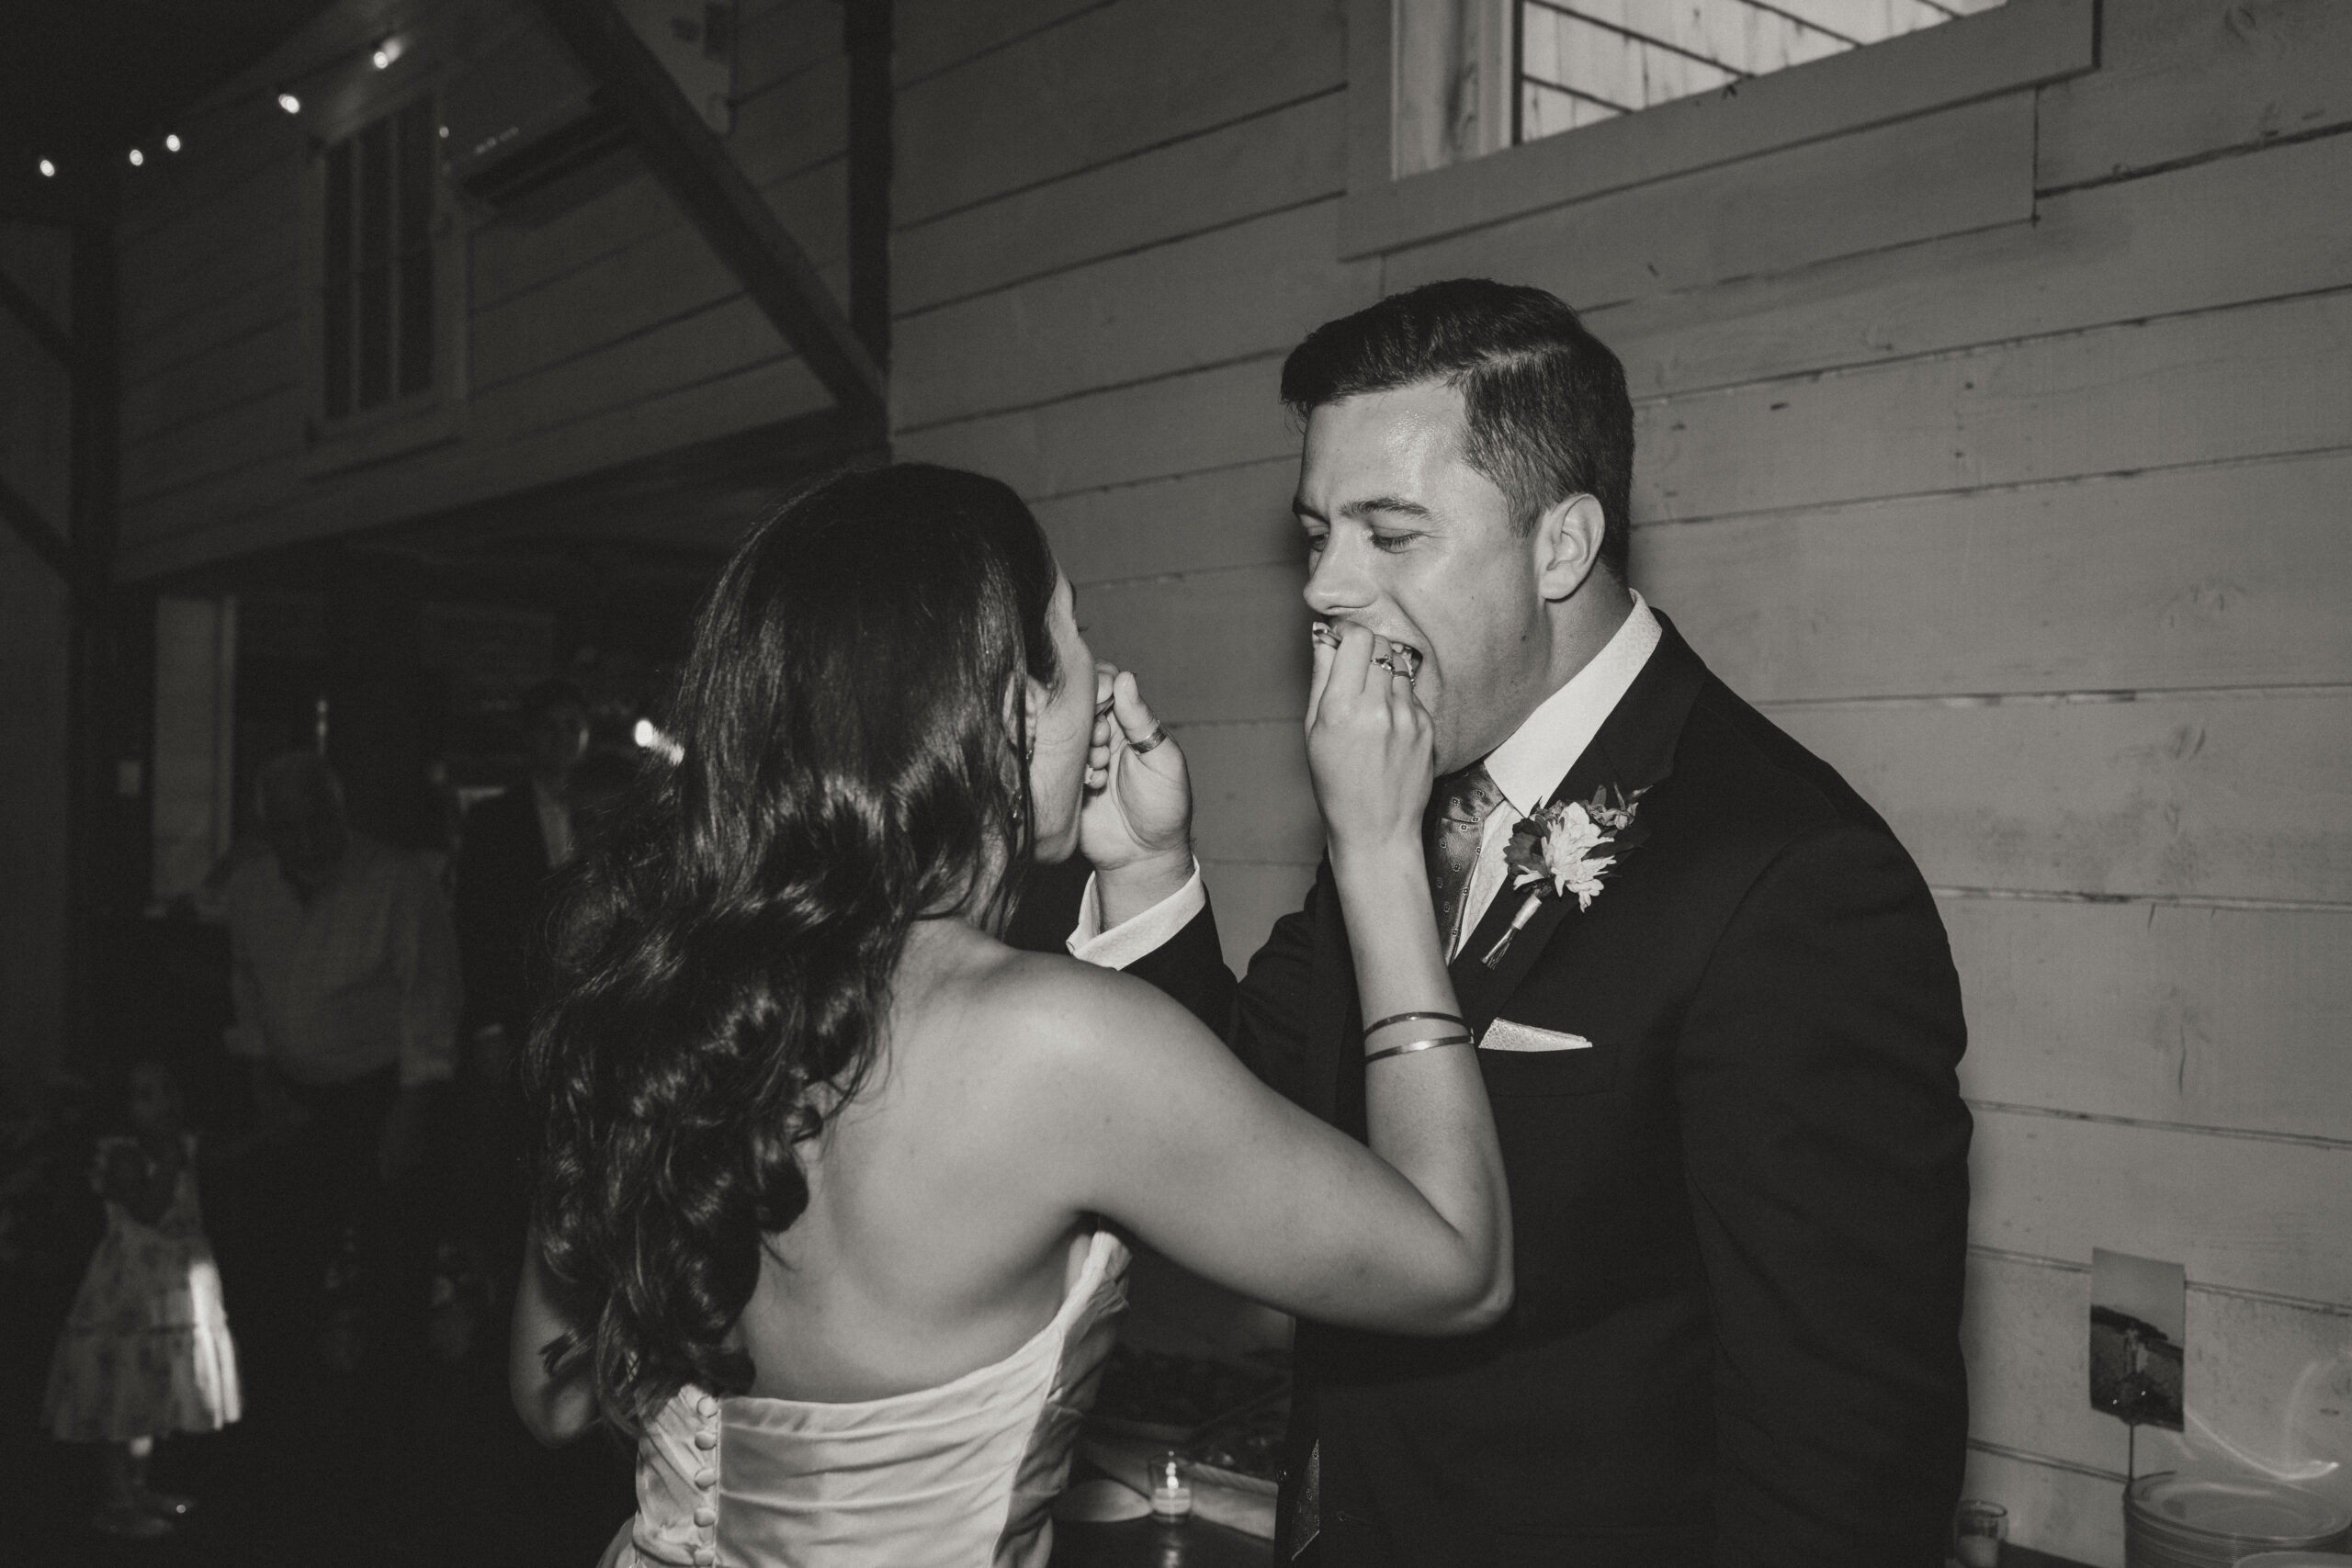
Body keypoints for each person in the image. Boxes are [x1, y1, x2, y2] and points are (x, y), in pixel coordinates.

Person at [1076, 279, 1973, 1565]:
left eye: (1391, 533)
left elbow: (1845, 1465)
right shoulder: (1407, 808)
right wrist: (1153, 871)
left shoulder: (1792, 879)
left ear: (1561, 544)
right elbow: (1235, 1126)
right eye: (1317, 531)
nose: (1327, 587)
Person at [509, 463, 1514, 1568]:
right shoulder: (1047, 1041)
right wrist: (1376, 849)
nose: (1106, 676)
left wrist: (1142, 875)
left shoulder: (654, 996)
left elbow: (550, 1396)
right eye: (1073, 639)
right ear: (1009, 708)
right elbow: (1458, 1270)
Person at [223, 751, 459, 1377]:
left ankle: (387, 1426)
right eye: (288, 828)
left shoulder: (397, 881)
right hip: (298, 1096)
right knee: (288, 1271)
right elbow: (246, 987)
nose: (306, 841)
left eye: (319, 821)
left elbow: (429, 1000)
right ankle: (296, 1421)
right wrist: (262, 1083)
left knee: (393, 1272)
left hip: (383, 1093)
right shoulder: (251, 888)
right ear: (267, 830)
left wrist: (410, 1110)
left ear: (341, 813)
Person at [44, 1058, 241, 1539]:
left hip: (172, 1287)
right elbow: (149, 1210)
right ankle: (116, 1501)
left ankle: (139, 1487)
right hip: (128, 1293)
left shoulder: (185, 1148)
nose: (155, 1103)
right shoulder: (124, 1155)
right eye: (141, 1094)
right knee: (117, 1390)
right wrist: (172, 1158)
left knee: (147, 1392)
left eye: (161, 1090)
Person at [456, 679, 592, 1085]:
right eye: (550, 727)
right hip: (519, 1008)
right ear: (530, 736)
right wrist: (488, 1025)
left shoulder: (611, 808)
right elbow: (476, 924)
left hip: (592, 1008)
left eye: (573, 726)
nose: (562, 738)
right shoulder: (493, 821)